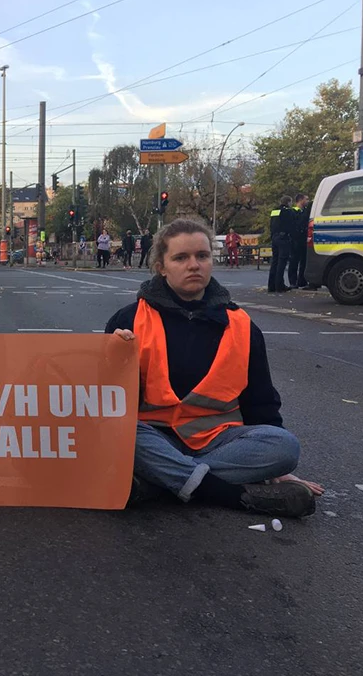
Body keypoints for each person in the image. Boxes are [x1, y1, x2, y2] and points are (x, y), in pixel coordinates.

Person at [106, 218, 321, 518]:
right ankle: (231, 494)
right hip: (154, 436)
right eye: (181, 258)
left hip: (217, 440)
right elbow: (106, 405)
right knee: (119, 432)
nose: (193, 265)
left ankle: (160, 482)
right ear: (161, 267)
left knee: (284, 447)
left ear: (211, 261)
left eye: (202, 256)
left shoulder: (243, 325)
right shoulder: (127, 321)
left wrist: (277, 468)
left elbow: (260, 402)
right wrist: (112, 355)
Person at [267, 195, 293, 293]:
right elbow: (290, 225)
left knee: (274, 262)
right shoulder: (287, 211)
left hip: (274, 237)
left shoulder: (274, 211)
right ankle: (279, 286)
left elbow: (272, 224)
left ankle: (271, 285)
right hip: (283, 238)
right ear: (288, 202)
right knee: (281, 262)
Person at [288, 193, 310, 288]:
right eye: (306, 199)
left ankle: (302, 280)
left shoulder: (305, 211)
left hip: (304, 240)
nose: (308, 201)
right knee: (294, 261)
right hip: (295, 240)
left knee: (304, 262)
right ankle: (293, 282)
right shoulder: (293, 211)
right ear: (301, 200)